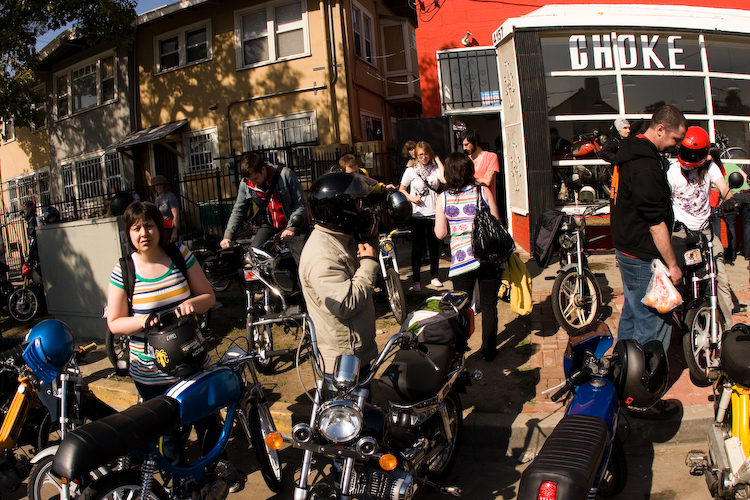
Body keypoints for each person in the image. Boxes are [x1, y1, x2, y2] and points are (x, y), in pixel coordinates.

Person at [106, 202, 230, 472]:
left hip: (193, 361)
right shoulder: (124, 270)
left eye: (149, 226)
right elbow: (114, 322)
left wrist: (192, 304)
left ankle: (216, 470)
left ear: (160, 228)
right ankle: (181, 480)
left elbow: (208, 296)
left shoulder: (179, 254)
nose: (144, 233)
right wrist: (142, 321)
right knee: (166, 433)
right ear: (128, 233)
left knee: (206, 418)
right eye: (136, 228)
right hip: (150, 371)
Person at [610, 104, 686, 419]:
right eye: (675, 138)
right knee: (654, 325)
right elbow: (656, 223)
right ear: (660, 129)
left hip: (627, 251)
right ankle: (642, 399)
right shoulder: (644, 164)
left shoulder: (629, 152)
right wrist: (673, 265)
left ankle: (618, 376)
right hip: (643, 256)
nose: (677, 145)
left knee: (631, 315)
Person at [298, 172, 381, 373]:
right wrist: (369, 263)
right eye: (358, 204)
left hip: (355, 352)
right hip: (343, 361)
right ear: (339, 209)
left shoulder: (341, 237)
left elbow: (358, 273)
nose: (364, 210)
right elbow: (345, 304)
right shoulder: (322, 254)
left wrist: (369, 240)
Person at [435, 152, 501, 361]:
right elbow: (496, 222)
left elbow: (440, 233)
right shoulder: (482, 191)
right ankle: (489, 349)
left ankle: (460, 350)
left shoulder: (443, 198)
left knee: (460, 307)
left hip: (461, 259)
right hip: (487, 257)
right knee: (489, 305)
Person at [668, 127, 734, 330]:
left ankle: (729, 331)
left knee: (720, 279)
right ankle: (671, 320)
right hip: (680, 233)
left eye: (695, 154)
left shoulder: (711, 167)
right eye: (687, 152)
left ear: (705, 153)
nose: (690, 157)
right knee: (673, 277)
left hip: (705, 232)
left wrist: (729, 199)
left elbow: (724, 187)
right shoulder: (672, 172)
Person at [220, 153, 308, 263]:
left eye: (255, 179)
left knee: (302, 261)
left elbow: (300, 203)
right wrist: (227, 236)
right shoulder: (246, 184)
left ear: (263, 169)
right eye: (250, 180)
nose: (254, 184)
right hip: (271, 226)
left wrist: (291, 228)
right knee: (255, 254)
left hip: (294, 224)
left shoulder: (285, 175)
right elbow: (238, 210)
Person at [399, 141, 443, 292]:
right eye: (421, 155)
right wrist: (411, 198)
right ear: (416, 156)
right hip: (417, 214)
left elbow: (444, 180)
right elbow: (402, 188)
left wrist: (438, 161)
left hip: (433, 212)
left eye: (426, 154)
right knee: (417, 248)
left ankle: (434, 275)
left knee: (434, 246)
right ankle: (416, 280)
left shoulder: (435, 169)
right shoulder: (411, 171)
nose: (424, 157)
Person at [712, 151, 750, 266]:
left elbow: (720, 186)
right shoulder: (732, 165)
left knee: (731, 225)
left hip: (734, 196)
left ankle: (731, 255)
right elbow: (745, 176)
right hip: (747, 194)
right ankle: (747, 255)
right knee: (747, 225)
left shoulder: (718, 169)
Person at [461, 129, 500, 193]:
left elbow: (487, 182)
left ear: (475, 142)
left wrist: (469, 180)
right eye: (463, 145)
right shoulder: (466, 160)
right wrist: (481, 179)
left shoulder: (490, 157)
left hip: (486, 198)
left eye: (467, 144)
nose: (464, 148)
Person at [152, 175, 180, 244]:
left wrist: (175, 232)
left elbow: (176, 215)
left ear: (164, 185)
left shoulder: (170, 196)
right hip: (162, 230)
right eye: (157, 185)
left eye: (161, 184)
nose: (159, 187)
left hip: (170, 229)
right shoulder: (157, 200)